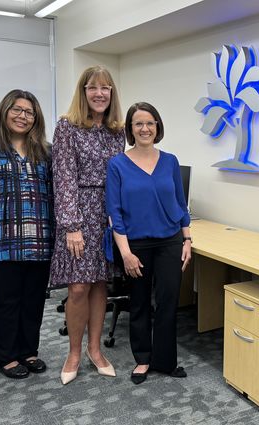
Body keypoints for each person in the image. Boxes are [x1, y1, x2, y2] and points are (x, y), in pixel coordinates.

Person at [105, 102, 192, 385]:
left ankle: (165, 361)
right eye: (139, 123)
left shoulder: (170, 161)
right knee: (140, 303)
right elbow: (114, 212)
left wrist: (187, 238)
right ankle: (143, 360)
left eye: (150, 123)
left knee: (168, 302)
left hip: (170, 241)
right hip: (137, 245)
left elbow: (180, 203)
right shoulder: (118, 164)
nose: (145, 128)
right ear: (131, 129)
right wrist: (125, 253)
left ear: (158, 127)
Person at [50, 66, 125, 385]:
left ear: (112, 94)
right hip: (78, 213)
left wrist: (119, 217)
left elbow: (122, 175)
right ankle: (74, 353)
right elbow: (63, 176)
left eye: (106, 88)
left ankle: (96, 351)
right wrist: (71, 225)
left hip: (107, 215)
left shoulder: (117, 130)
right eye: (93, 88)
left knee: (99, 285)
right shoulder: (67, 127)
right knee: (78, 286)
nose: (99, 93)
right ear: (83, 92)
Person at [0, 90, 54, 379]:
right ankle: (6, 356)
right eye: (17, 109)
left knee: (33, 299)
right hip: (0, 241)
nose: (23, 116)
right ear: (4, 111)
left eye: (29, 112)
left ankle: (28, 351)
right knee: (5, 300)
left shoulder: (45, 150)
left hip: (39, 239)